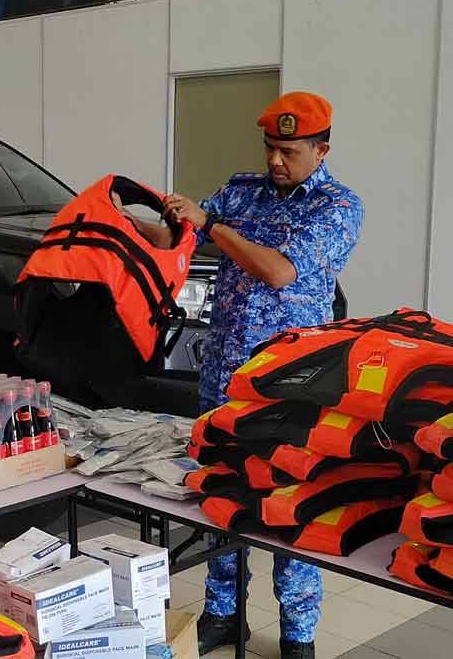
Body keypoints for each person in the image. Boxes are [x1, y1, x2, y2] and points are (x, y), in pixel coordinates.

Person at [157, 92, 363, 659]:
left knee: (290, 502)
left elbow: (277, 271)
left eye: (289, 150)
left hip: (291, 384)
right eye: (270, 148)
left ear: (321, 148)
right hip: (223, 374)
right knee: (224, 493)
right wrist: (142, 220)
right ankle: (224, 614)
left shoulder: (338, 207)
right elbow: (183, 238)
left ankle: (298, 633)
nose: (275, 160)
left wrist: (212, 225)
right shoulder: (241, 189)